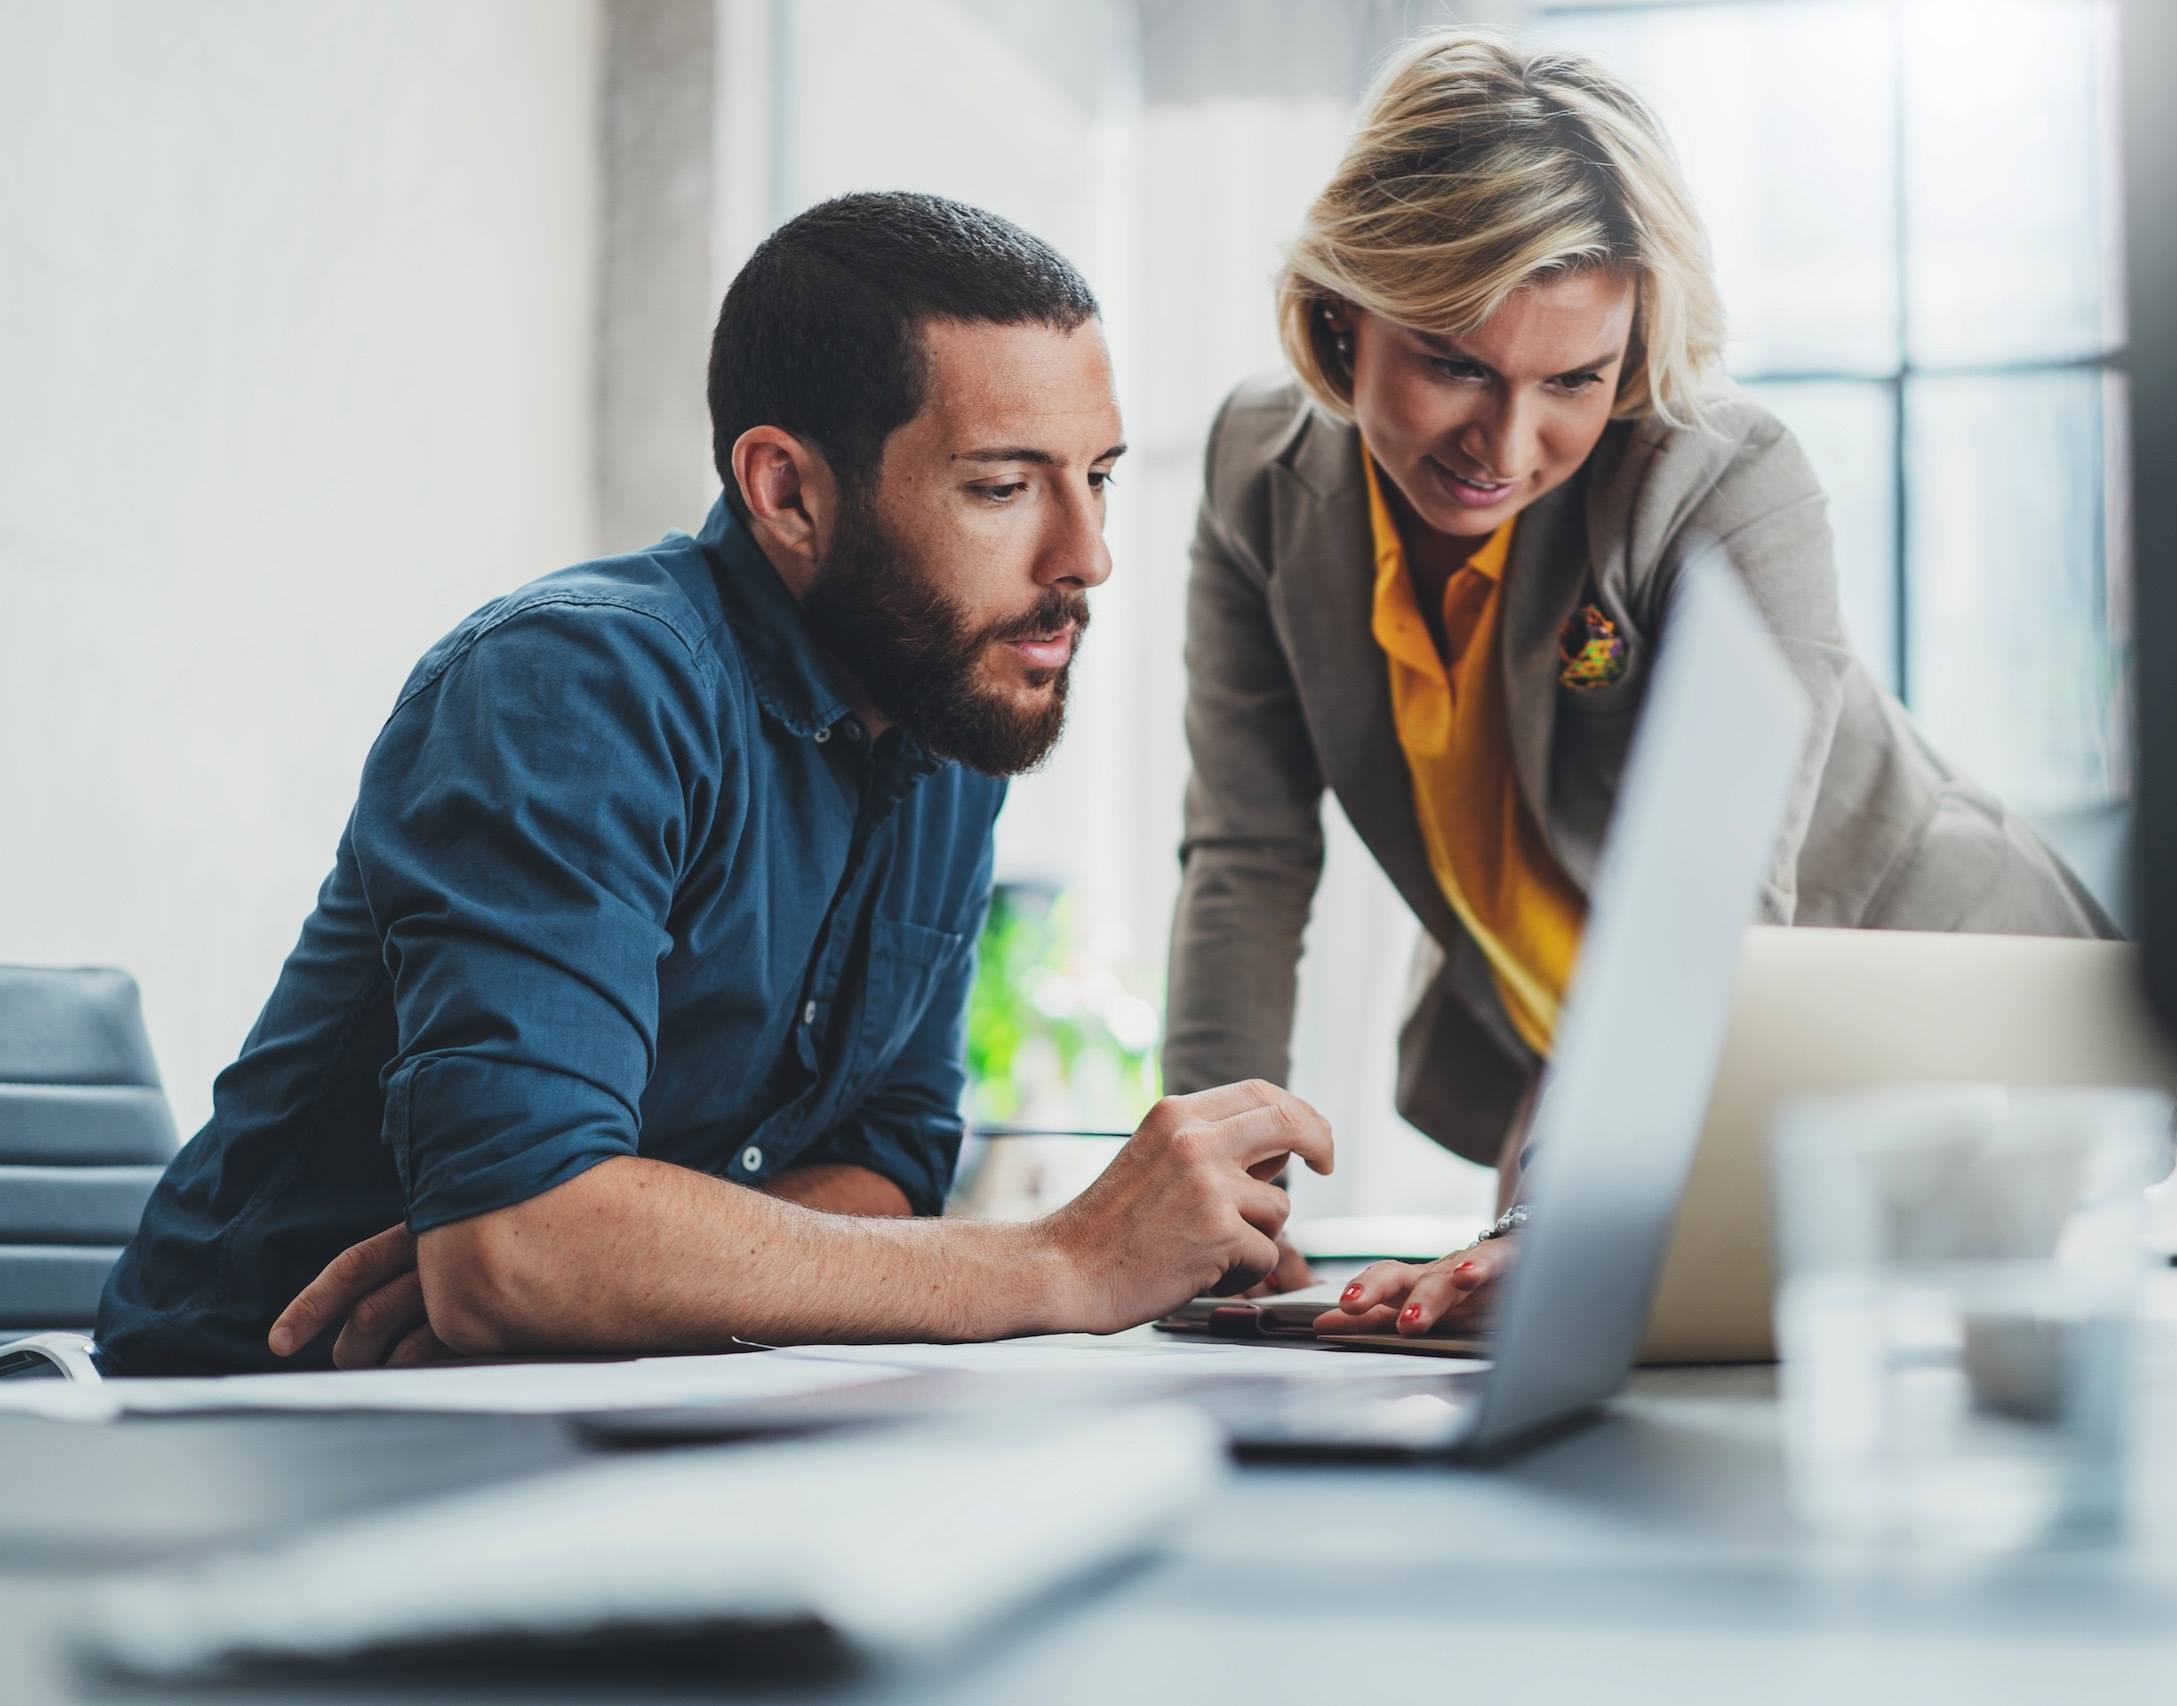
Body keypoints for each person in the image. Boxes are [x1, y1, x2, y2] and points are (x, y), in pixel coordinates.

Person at [96, 191, 1329, 1377]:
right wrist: (1060, 1260)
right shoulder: (575, 683)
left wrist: (614, 1269)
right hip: (249, 1414)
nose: (1087, 555)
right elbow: (517, 1250)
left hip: (597, 1410)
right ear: (787, 490)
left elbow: (883, 1160)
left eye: (1097, 475)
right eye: (1003, 488)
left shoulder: (945, 714)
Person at [1157, 31, 2107, 1340]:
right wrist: (1212, 1201)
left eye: (1575, 381)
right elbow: (1245, 860)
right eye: (1454, 365)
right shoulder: (1257, 477)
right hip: (1604, 1066)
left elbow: (1711, 921)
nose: (1506, 443)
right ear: (1343, 310)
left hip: (1939, 1035)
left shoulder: (1720, 483)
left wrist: (1557, 1217)